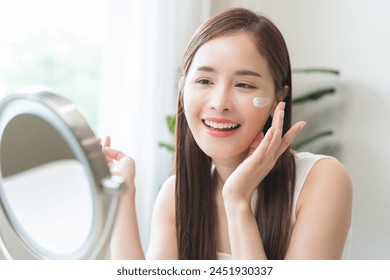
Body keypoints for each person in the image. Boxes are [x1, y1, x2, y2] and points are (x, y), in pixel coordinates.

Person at [104, 7, 352, 260]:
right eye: (204, 81)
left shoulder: (320, 180)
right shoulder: (176, 195)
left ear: (278, 98)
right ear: (182, 89)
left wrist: (237, 201)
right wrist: (120, 195)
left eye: (244, 85)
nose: (220, 102)